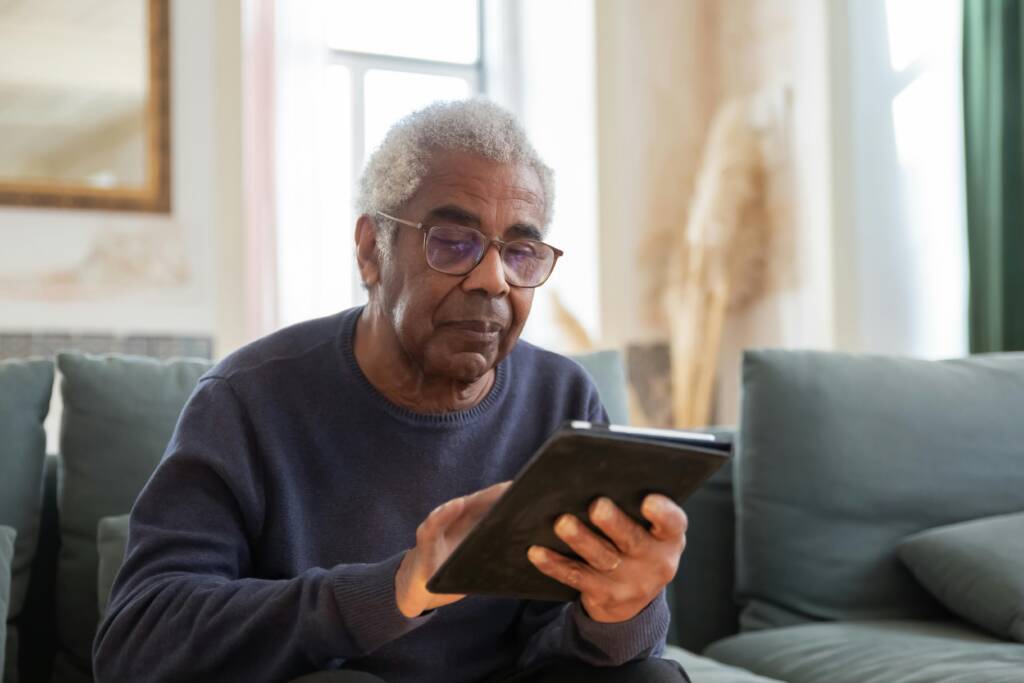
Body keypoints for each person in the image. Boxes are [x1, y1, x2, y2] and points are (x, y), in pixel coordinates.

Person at [93, 99, 691, 683]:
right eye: (454, 242)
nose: (492, 279)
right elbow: (138, 642)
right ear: (371, 249)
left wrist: (620, 612)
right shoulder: (247, 400)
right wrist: (394, 591)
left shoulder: (561, 399)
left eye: (520, 252)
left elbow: (561, 654)